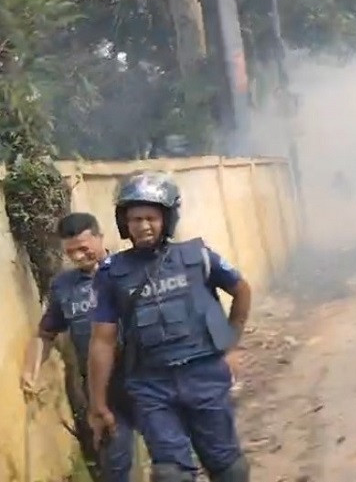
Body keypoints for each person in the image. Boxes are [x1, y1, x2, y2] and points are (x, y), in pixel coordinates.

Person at [87, 171, 253, 482]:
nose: (143, 226)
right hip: (151, 386)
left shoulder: (198, 256)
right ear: (125, 223)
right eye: (135, 218)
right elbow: (103, 341)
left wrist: (231, 343)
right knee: (169, 474)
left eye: (151, 217)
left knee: (228, 467)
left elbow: (241, 289)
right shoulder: (111, 274)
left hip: (203, 374)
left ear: (167, 218)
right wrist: (98, 403)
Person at [23, 213, 135, 482]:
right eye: (70, 252)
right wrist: (30, 370)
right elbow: (46, 333)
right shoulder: (64, 287)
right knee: (115, 467)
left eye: (84, 248)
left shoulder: (130, 269)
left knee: (169, 459)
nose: (78, 256)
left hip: (147, 377)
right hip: (103, 390)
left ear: (99, 237)